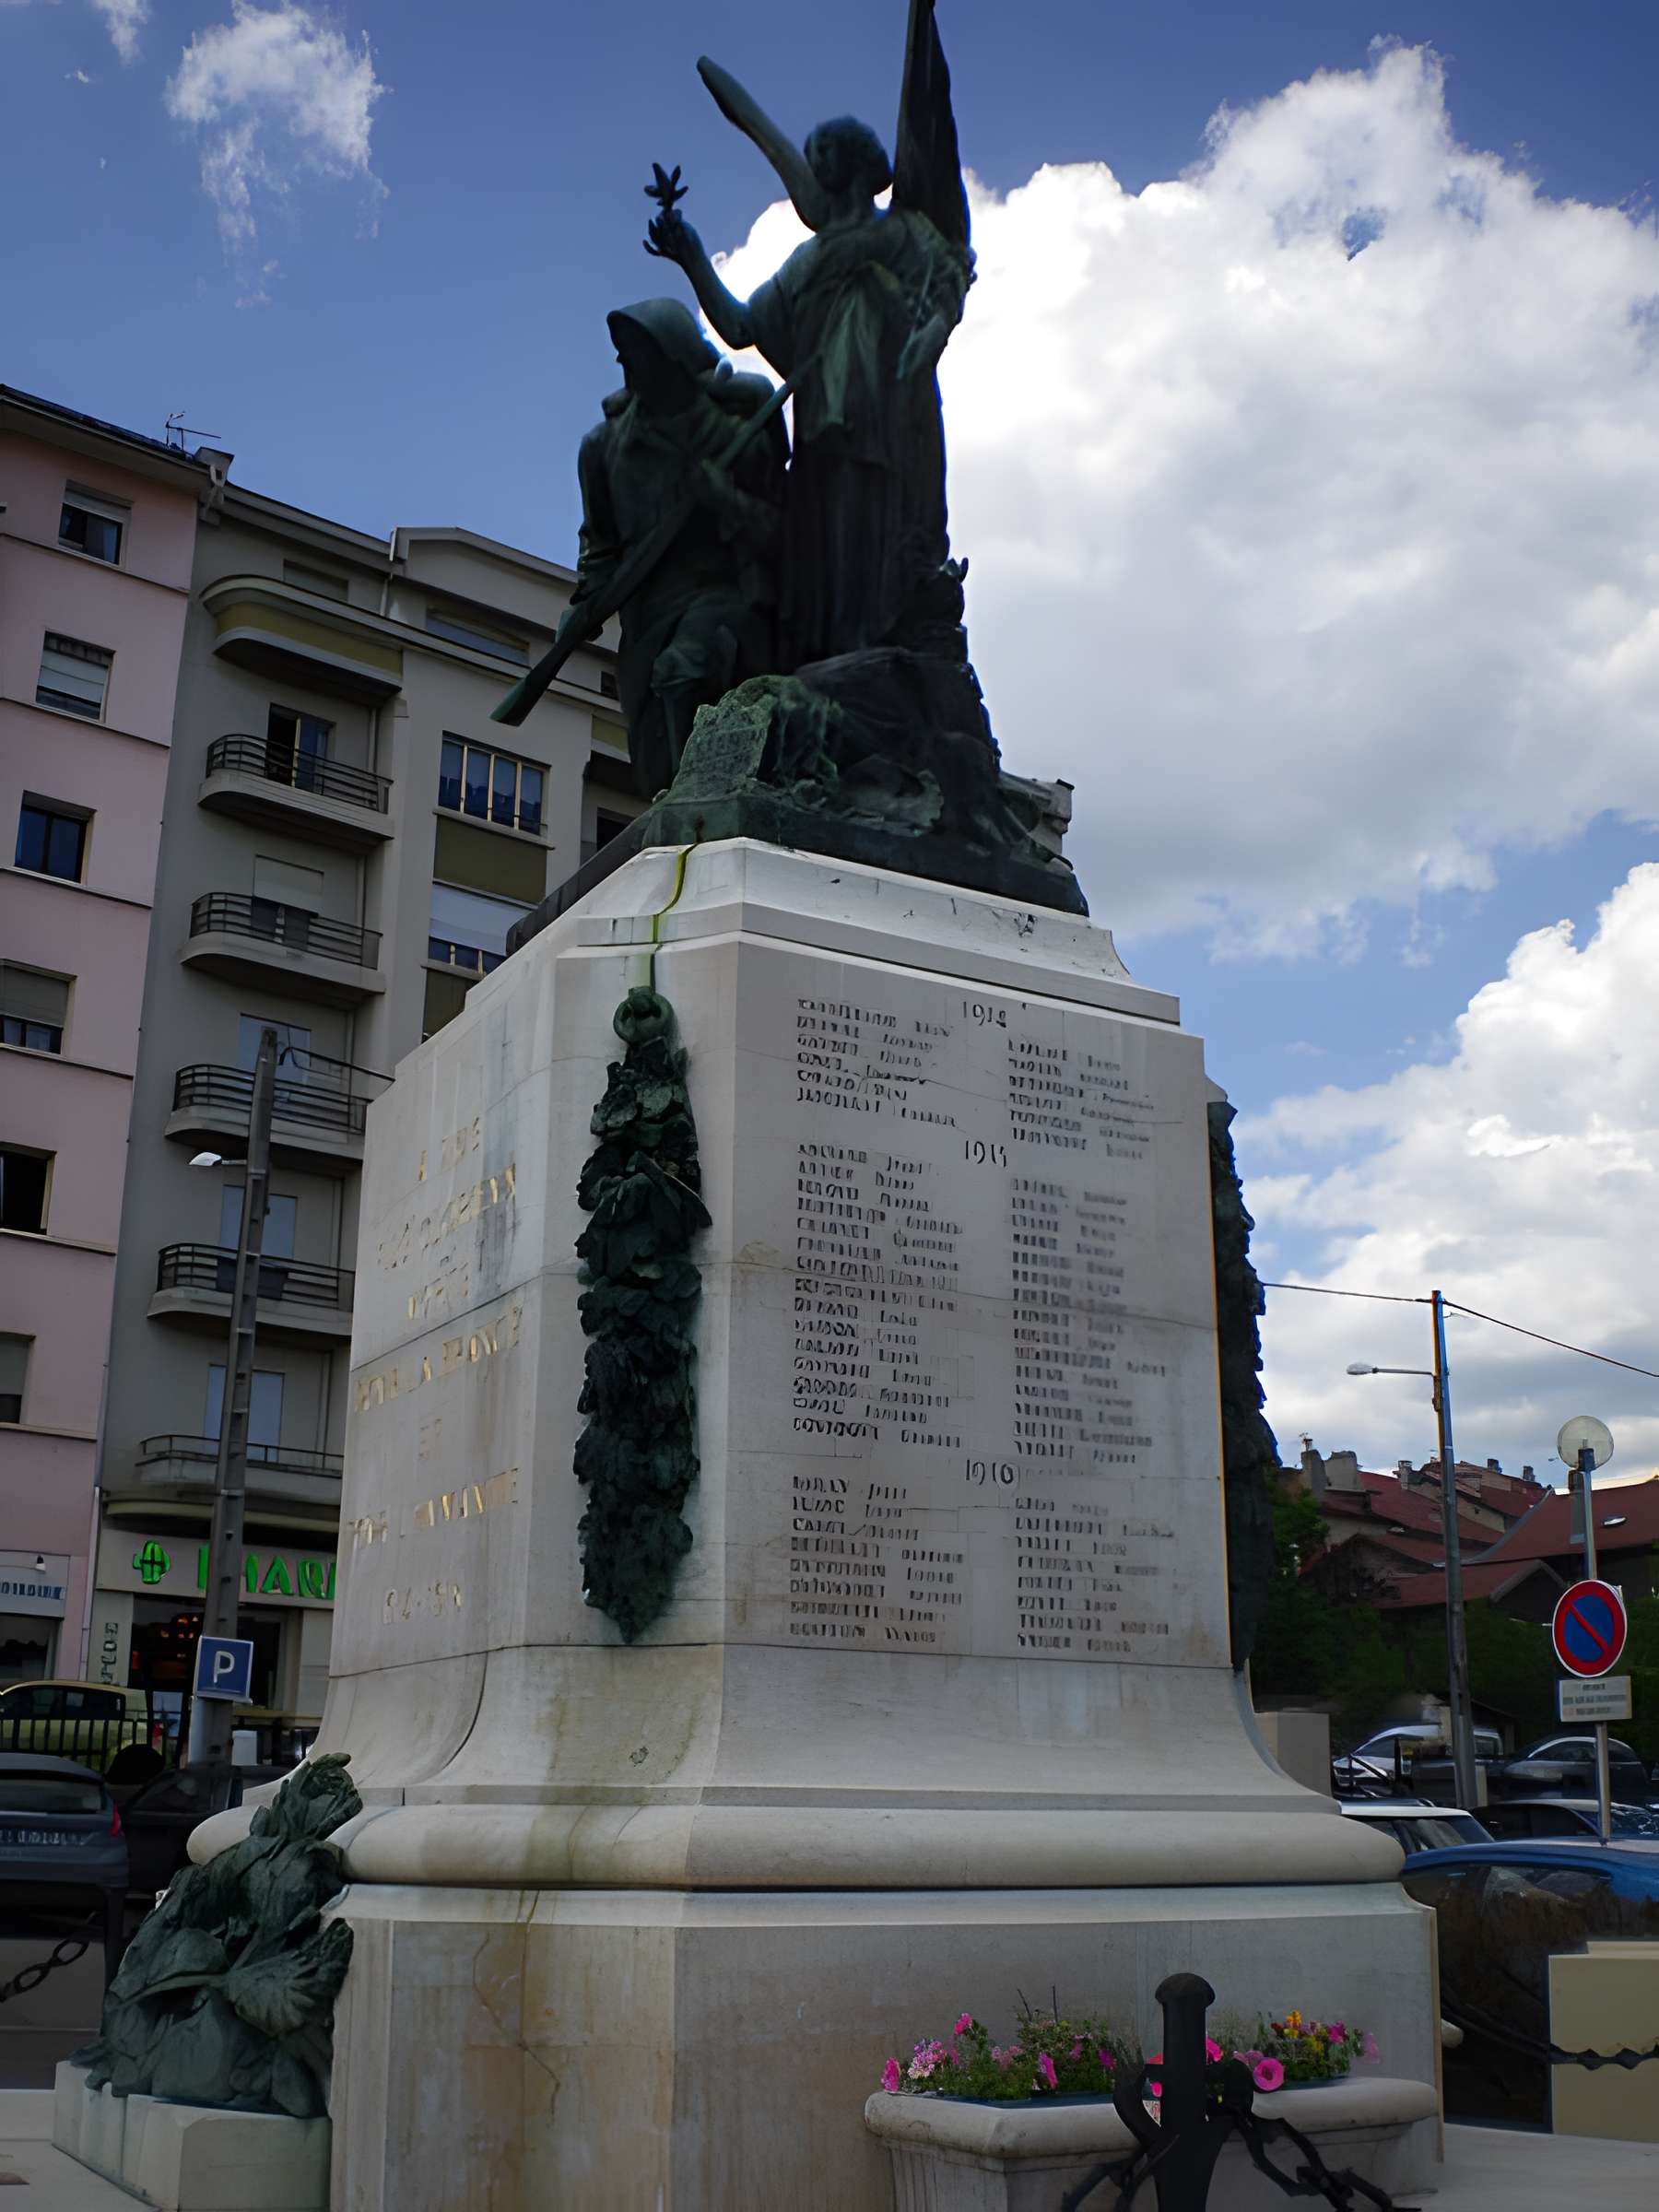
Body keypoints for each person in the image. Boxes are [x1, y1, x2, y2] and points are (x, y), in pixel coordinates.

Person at [645, 3, 973, 668]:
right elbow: (741, 326)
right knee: (825, 546)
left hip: (890, 425)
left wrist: (925, 333)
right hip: (822, 426)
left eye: (823, 151)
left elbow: (946, 292)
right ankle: (835, 659)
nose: (813, 159)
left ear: (849, 164)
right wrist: (692, 259)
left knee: (880, 539)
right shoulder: (809, 260)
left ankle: (875, 651)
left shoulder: (901, 234)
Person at [568, 299, 786, 799]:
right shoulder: (602, 448)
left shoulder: (734, 436)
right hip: (646, 612)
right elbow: (599, 542)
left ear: (670, 354)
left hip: (724, 595)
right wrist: (585, 598)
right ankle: (675, 812)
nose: (622, 364)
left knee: (682, 669)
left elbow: (782, 534)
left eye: (633, 351)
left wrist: (724, 499)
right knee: (649, 754)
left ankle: (701, 798)